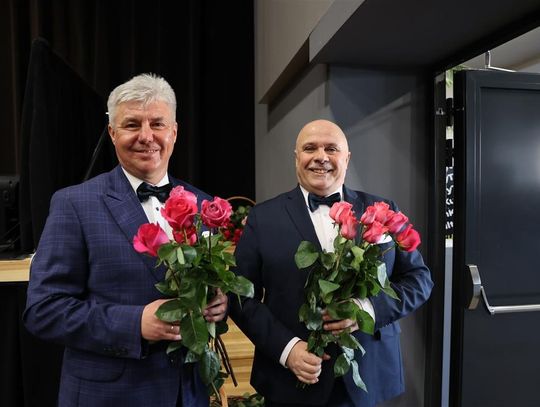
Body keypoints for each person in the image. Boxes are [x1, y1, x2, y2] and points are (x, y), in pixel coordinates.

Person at [23, 73, 227, 407]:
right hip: (109, 396)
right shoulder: (74, 204)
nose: (147, 136)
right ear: (112, 133)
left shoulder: (205, 205)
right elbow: (43, 310)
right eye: (132, 124)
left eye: (157, 124)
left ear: (174, 132)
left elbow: (207, 289)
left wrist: (218, 305)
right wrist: (135, 324)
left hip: (188, 394)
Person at [229, 119, 433, 407]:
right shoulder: (263, 218)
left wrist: (367, 310)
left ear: (346, 158)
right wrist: (288, 349)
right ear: (296, 157)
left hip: (368, 378)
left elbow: (419, 279)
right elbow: (239, 294)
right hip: (290, 381)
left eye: (331, 149)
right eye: (310, 148)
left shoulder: (383, 211)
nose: (321, 157)